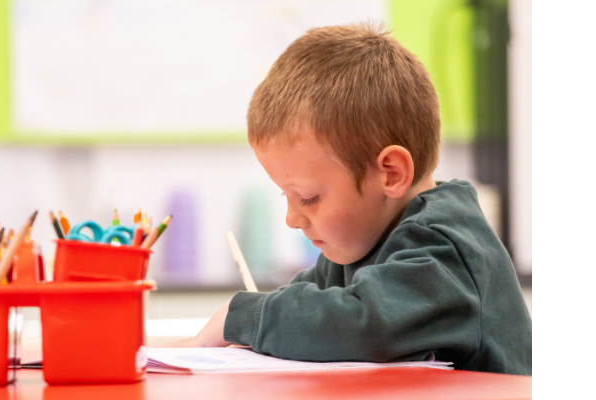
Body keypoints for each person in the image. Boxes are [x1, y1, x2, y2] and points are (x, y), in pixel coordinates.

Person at [166, 21, 532, 375]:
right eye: (286, 196)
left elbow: (363, 322)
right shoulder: (363, 241)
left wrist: (242, 316)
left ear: (391, 174)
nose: (291, 219)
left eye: (308, 197)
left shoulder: (443, 250)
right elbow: (313, 301)